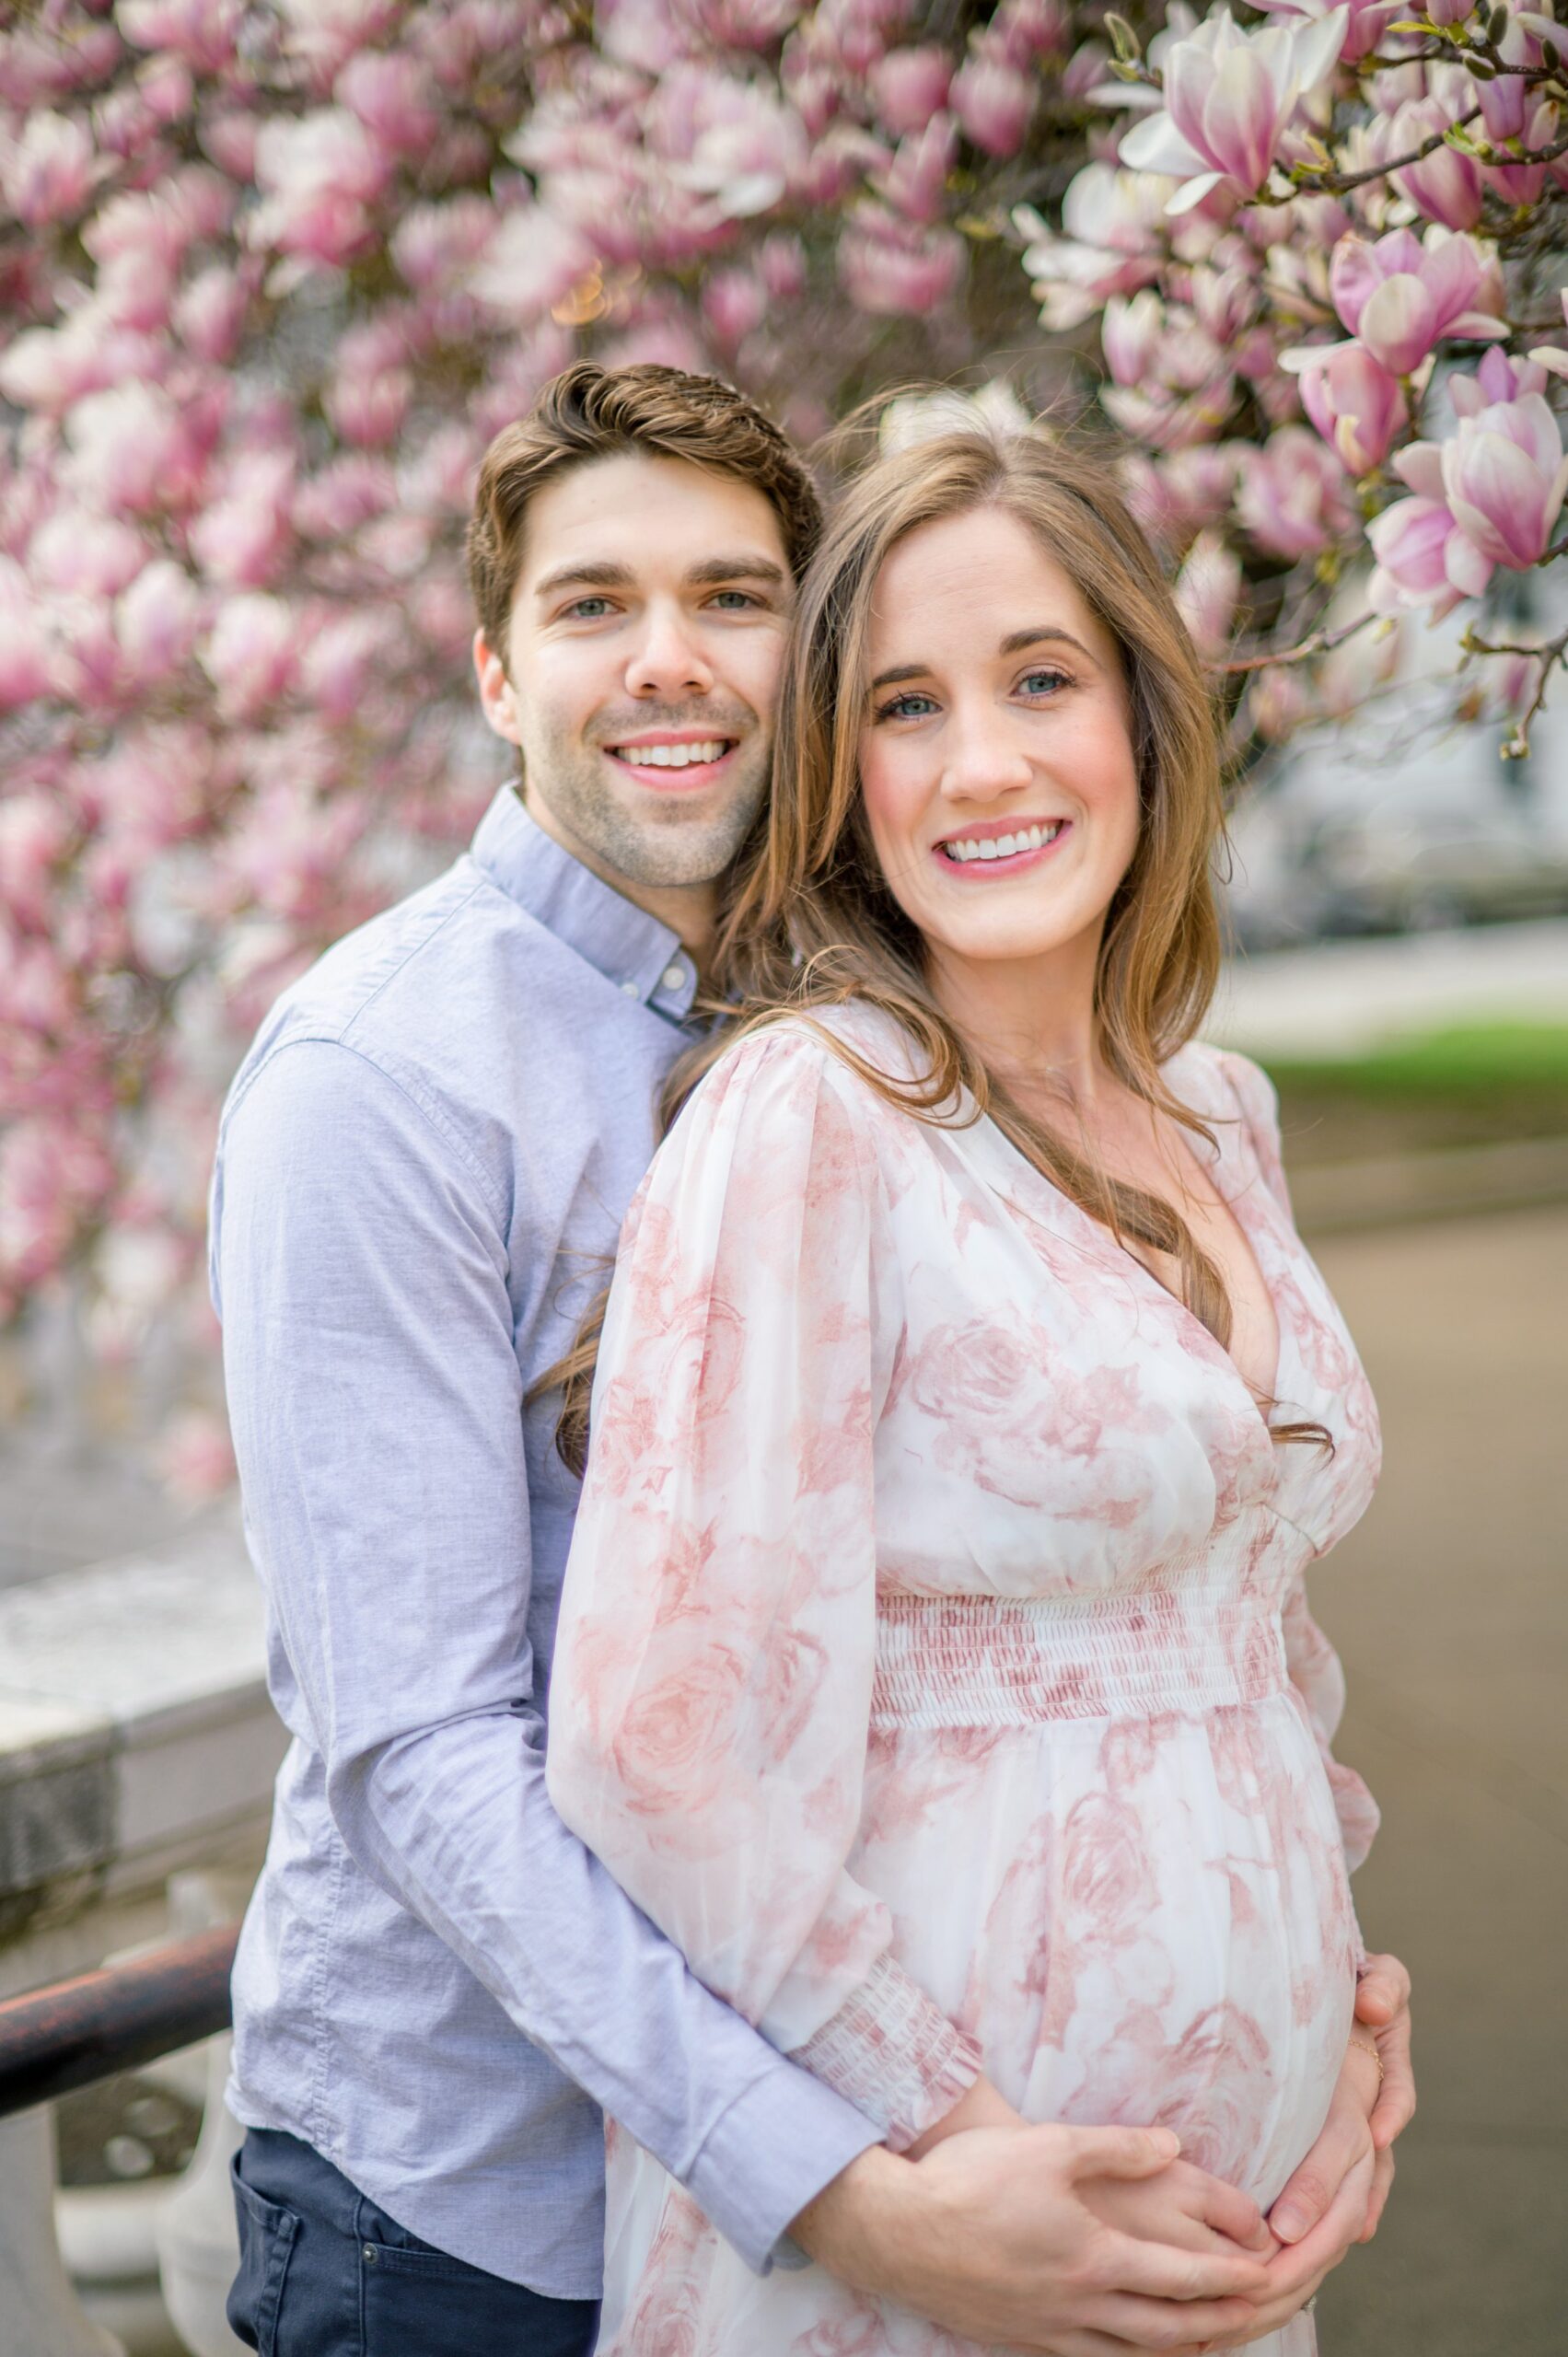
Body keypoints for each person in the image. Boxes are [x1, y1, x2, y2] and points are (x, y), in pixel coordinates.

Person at [211, 363, 1411, 2356]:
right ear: (497, 675)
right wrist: (862, 2189)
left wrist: (1322, 1977)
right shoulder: (388, 1079)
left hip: (969, 2172)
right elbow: (435, 1749)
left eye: (734, 599)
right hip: (477, 2200)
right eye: (594, 605)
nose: (668, 661)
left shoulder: (893, 1005)